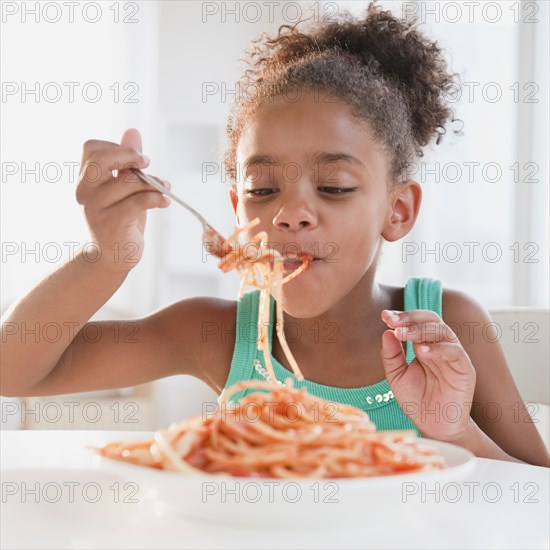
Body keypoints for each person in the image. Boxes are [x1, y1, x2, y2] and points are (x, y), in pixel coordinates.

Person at [1, 3, 548, 466]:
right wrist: (107, 257)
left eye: (333, 186)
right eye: (262, 190)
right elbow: (14, 371)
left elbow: (537, 495)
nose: (291, 213)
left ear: (398, 210)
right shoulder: (213, 334)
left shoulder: (446, 329)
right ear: (237, 210)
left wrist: (457, 434)